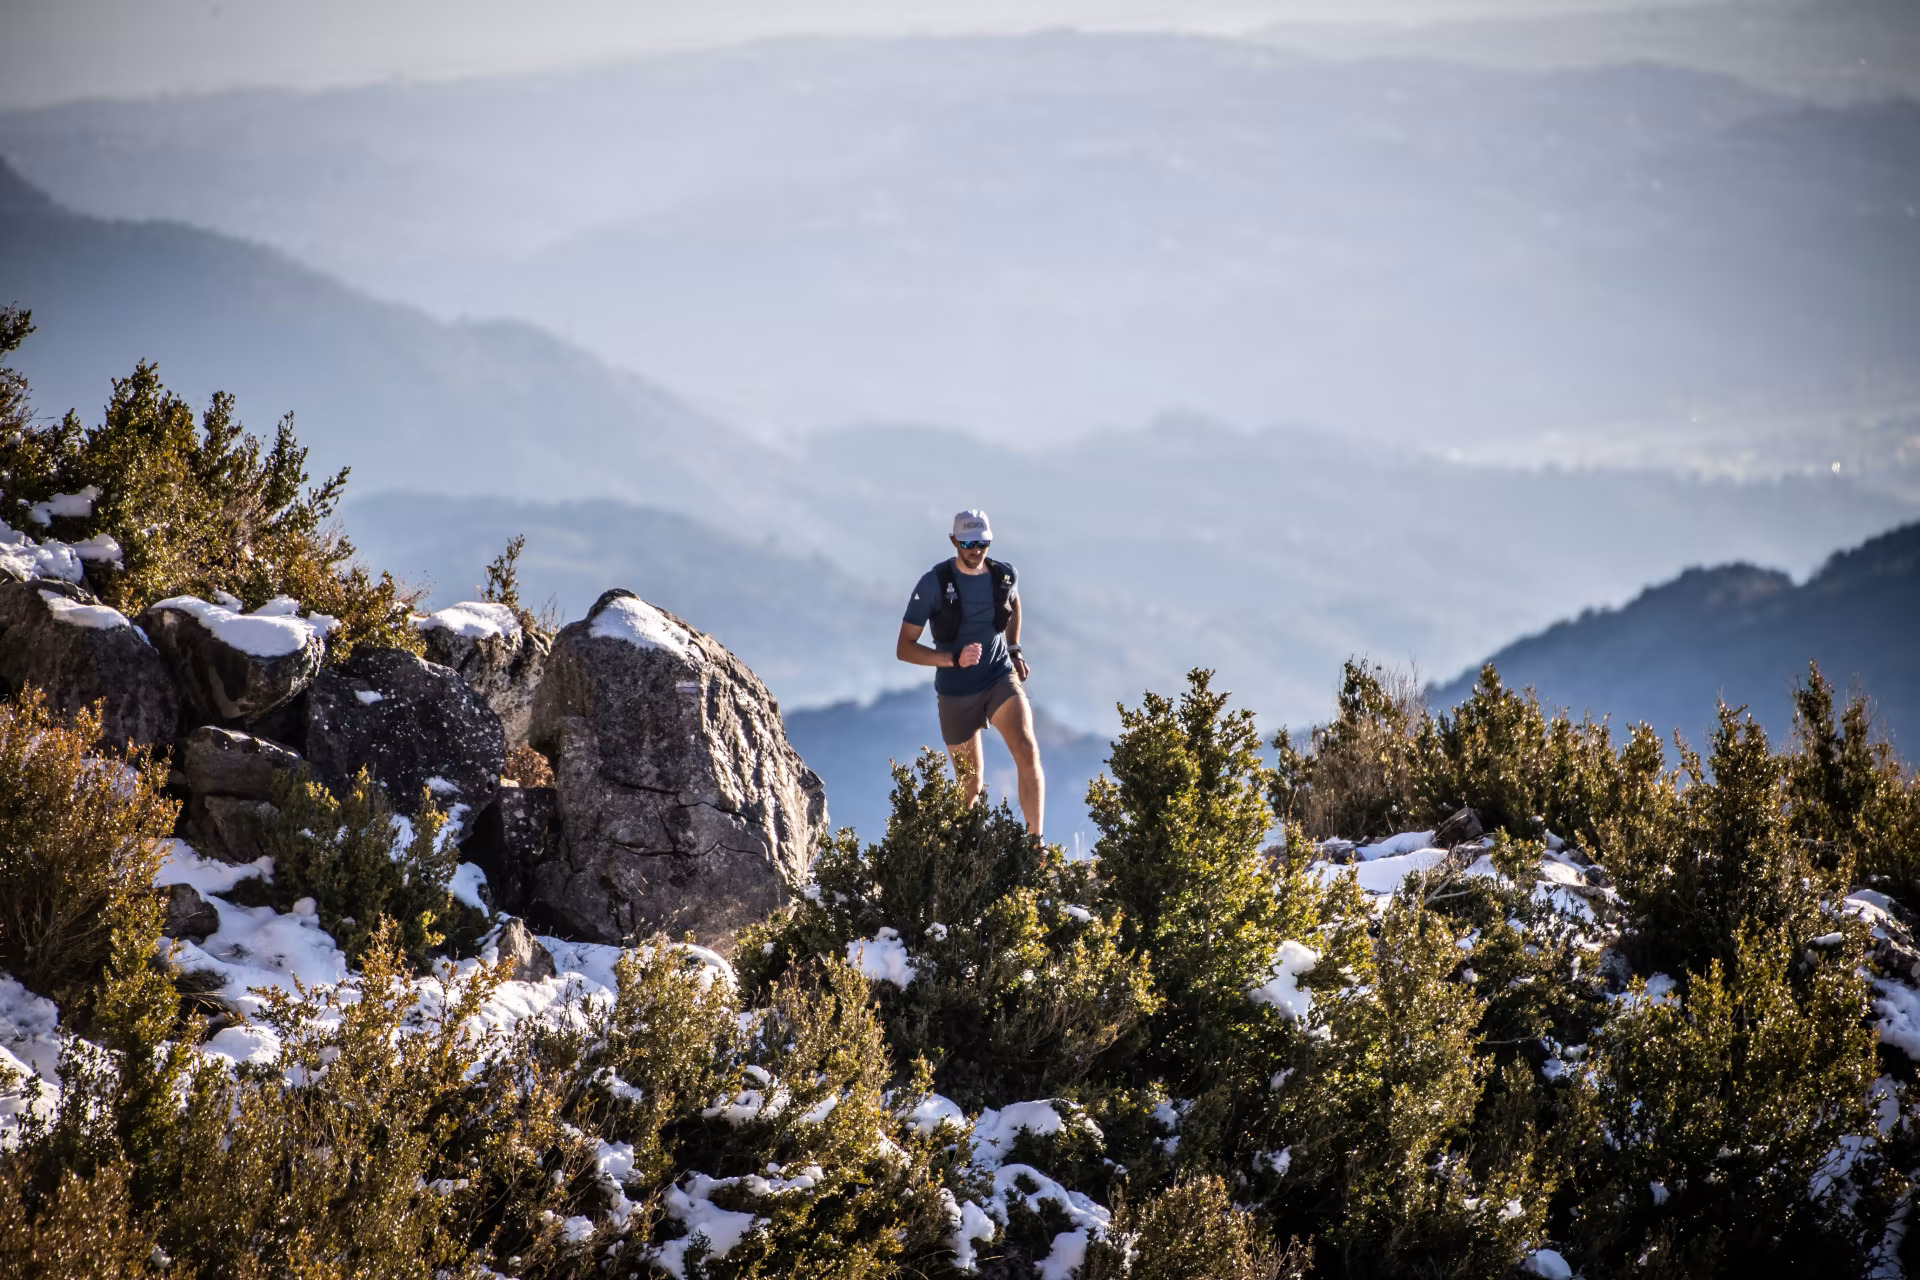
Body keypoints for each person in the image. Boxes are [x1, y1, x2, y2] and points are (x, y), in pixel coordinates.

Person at [896, 509, 1045, 837]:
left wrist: (1015, 648)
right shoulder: (933, 584)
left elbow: (1014, 604)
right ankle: (966, 854)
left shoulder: (1003, 576)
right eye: (967, 542)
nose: (975, 549)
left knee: (1027, 748)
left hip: (998, 678)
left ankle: (1036, 847)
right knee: (971, 784)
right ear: (954, 541)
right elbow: (904, 648)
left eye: (982, 542)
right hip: (955, 691)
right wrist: (953, 659)